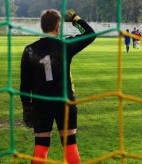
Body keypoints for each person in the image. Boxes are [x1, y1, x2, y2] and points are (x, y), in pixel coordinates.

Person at [20, 9, 95, 164]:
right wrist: (75, 19)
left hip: (41, 105)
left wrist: (27, 109)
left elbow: (25, 84)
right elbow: (90, 33)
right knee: (70, 147)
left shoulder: (29, 50)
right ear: (57, 27)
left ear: (41, 26)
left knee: (41, 148)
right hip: (65, 103)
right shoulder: (65, 46)